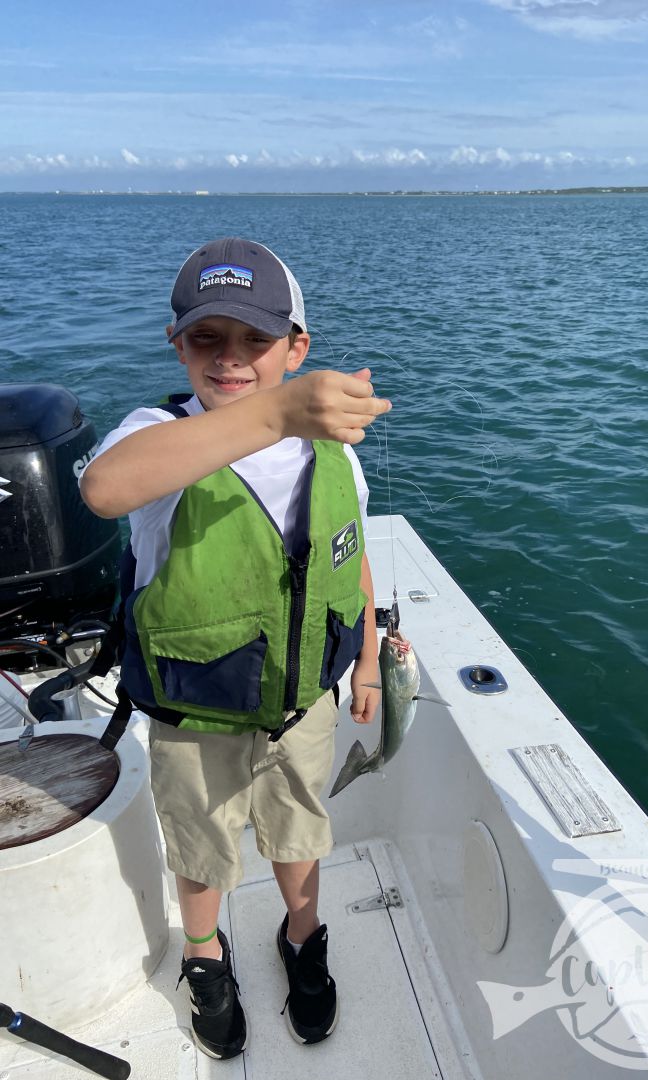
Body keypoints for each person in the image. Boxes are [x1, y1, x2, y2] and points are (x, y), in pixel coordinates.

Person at [81, 237, 391, 1060]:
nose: (232, 359)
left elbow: (347, 556)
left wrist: (366, 658)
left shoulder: (333, 452)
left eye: (257, 340)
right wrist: (277, 413)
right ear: (177, 346)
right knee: (202, 844)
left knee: (299, 829)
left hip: (301, 701)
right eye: (207, 339)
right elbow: (105, 488)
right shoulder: (159, 435)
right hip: (196, 714)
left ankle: (302, 935)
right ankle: (205, 957)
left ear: (297, 349)